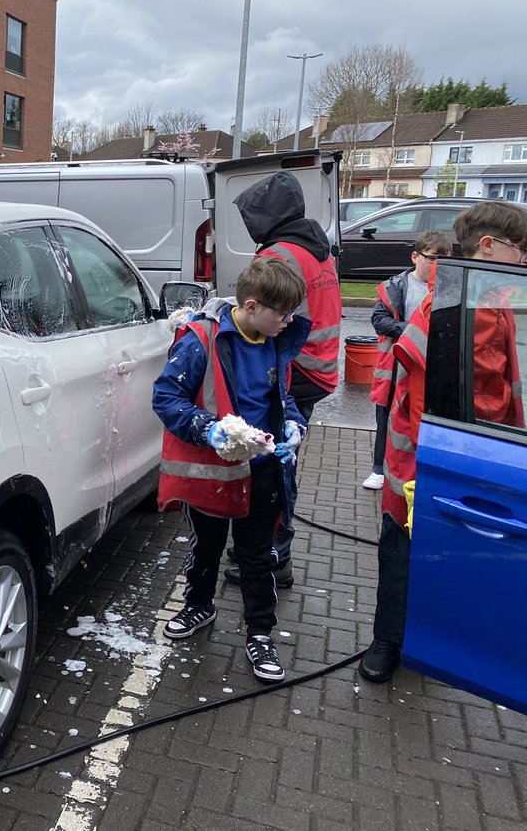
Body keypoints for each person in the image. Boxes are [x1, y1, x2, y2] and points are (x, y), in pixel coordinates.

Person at [360, 201, 527, 683]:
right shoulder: (452, 305)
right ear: (489, 246)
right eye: (519, 249)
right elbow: (430, 388)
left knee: (443, 553)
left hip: (467, 454)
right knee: (402, 547)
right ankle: (387, 639)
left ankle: (427, 637)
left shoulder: (491, 299)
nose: (523, 260)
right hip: (422, 460)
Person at [153, 257, 310, 683]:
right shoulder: (200, 341)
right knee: (206, 544)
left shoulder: (275, 339)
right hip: (215, 470)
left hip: (264, 471)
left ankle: (260, 634)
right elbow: (167, 398)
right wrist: (209, 429)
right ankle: (199, 605)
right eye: (283, 313)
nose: (289, 321)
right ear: (253, 306)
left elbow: (283, 396)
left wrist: (294, 422)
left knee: (257, 555)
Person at [224, 170, 342, 588]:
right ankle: (270, 551)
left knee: (273, 464)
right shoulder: (316, 245)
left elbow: (257, 324)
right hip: (320, 367)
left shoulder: (277, 255)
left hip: (294, 368)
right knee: (281, 458)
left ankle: (271, 556)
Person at [362, 231, 452, 491]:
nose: (436, 266)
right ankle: (379, 469)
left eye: (442, 260)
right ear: (415, 257)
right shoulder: (395, 286)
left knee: (423, 422)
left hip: (428, 369)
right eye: (432, 258)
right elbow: (380, 320)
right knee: (386, 419)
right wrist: (414, 331)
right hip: (394, 367)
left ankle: (420, 471)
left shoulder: (450, 290)